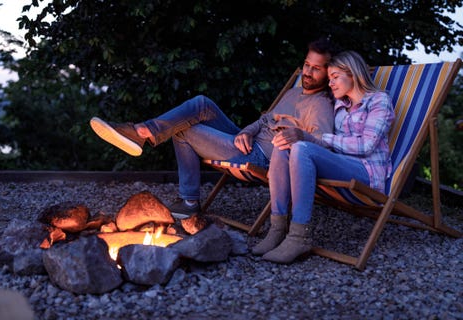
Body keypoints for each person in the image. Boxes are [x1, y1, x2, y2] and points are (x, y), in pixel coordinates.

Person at [90, 39, 338, 218]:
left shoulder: (322, 106)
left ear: (329, 72)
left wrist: (296, 137)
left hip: (262, 157)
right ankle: (142, 131)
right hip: (247, 141)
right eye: (307, 64)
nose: (307, 71)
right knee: (202, 104)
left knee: (182, 130)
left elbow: (321, 143)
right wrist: (247, 131)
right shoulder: (294, 92)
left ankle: (188, 200)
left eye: (316, 68)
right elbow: (265, 120)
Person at [252, 50, 395, 263]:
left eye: (335, 77)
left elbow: (366, 145)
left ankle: (299, 236)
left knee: (302, 148)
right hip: (340, 164)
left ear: (353, 75)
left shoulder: (378, 101)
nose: (331, 84)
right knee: (285, 145)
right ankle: (277, 228)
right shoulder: (339, 106)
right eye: (329, 79)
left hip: (366, 172)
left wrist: (318, 139)